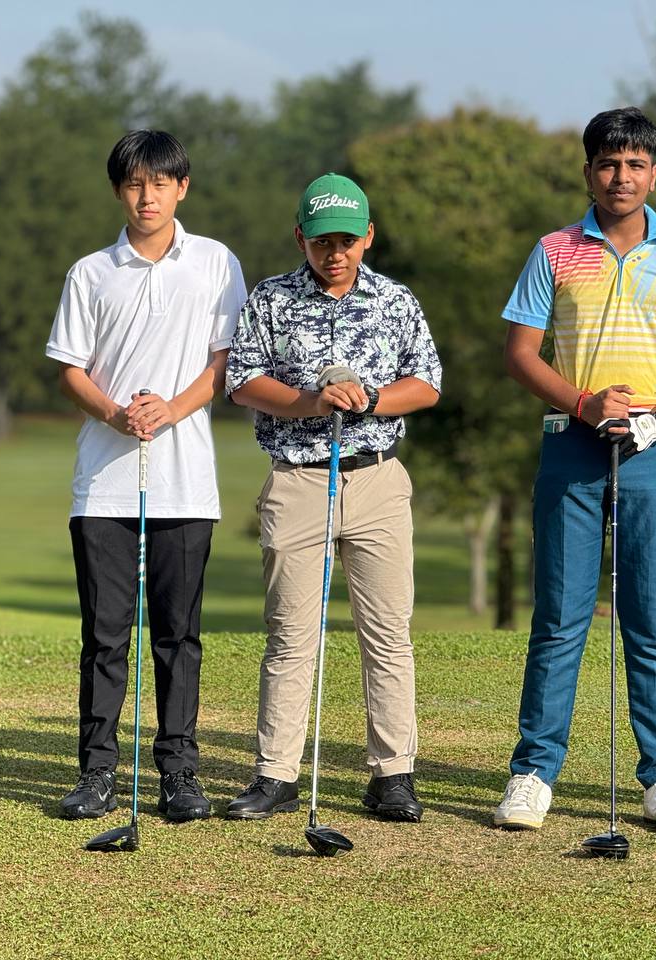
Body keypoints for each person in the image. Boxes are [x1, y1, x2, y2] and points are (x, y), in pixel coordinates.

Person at [492, 107, 656, 834]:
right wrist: (584, 403)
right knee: (560, 618)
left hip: (654, 447)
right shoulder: (554, 251)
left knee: (649, 620)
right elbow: (521, 354)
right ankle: (534, 772)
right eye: (607, 164)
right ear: (588, 172)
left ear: (654, 174)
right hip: (572, 441)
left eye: (634, 165)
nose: (620, 177)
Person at [223, 173, 441, 824]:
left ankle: (393, 775)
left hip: (376, 478)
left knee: (388, 633)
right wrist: (311, 403)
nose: (335, 253)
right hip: (298, 479)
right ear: (301, 238)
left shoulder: (395, 300)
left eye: (347, 240)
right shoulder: (270, 299)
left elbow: (427, 382)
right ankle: (276, 774)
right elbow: (242, 381)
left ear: (368, 236)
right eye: (322, 241)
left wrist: (372, 400)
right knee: (291, 635)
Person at [46, 129, 246, 822]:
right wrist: (114, 412)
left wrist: (170, 409)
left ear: (182, 187)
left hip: (185, 481)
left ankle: (179, 773)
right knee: (105, 634)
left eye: (160, 183)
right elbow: (70, 368)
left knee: (177, 635)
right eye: (134, 184)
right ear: (117, 190)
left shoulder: (216, 262)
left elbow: (225, 362)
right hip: (103, 484)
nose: (147, 196)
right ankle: (97, 772)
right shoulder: (90, 272)